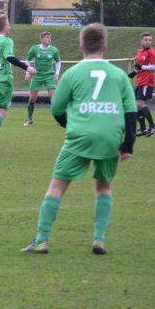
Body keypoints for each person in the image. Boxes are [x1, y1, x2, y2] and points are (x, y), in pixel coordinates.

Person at [21, 23, 136, 255]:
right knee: (104, 186)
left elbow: (56, 108)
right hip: (110, 137)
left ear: (81, 46)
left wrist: (71, 125)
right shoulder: (119, 75)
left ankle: (41, 240)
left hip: (79, 136)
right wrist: (128, 144)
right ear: (105, 46)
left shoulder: (73, 73)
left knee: (57, 186)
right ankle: (99, 239)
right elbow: (131, 112)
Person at [0, 16, 36, 155]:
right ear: (4, 27)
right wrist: (27, 68)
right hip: (3, 81)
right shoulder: (7, 41)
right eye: (8, 24)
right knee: (2, 112)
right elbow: (9, 57)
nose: (9, 27)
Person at [24, 31, 62, 126]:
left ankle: (58, 120)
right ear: (41, 39)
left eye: (50, 37)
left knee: (54, 99)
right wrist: (27, 72)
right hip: (37, 76)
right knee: (32, 99)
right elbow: (27, 60)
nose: (49, 39)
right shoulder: (34, 49)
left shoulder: (54, 50)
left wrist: (57, 74)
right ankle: (29, 119)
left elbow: (58, 62)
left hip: (49, 76)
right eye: (47, 37)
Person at [127, 32, 155, 136]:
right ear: (141, 40)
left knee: (140, 104)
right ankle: (143, 128)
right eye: (145, 40)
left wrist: (142, 67)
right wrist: (134, 72)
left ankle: (152, 125)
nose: (147, 42)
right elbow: (139, 66)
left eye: (149, 40)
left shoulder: (152, 52)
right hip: (140, 81)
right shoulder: (140, 52)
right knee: (134, 105)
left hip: (147, 81)